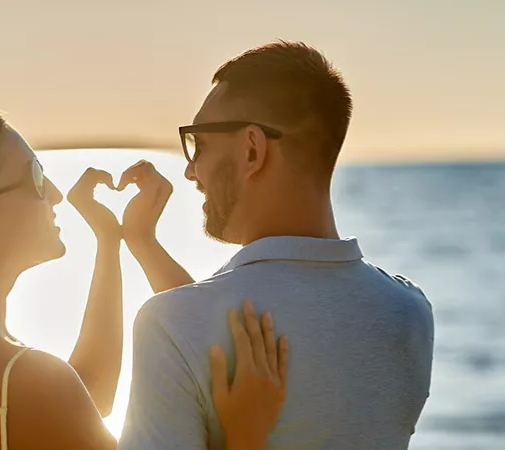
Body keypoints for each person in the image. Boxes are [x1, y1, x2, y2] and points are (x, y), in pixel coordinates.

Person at [0, 103, 289, 450]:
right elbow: (66, 400)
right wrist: (245, 434)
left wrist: (113, 242)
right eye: (34, 176)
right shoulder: (26, 384)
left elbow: (87, 393)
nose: (56, 193)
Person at [116, 41, 435, 450]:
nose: (191, 170)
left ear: (253, 149)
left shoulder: (171, 325)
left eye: (200, 143)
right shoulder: (409, 312)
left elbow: (190, 325)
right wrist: (144, 243)